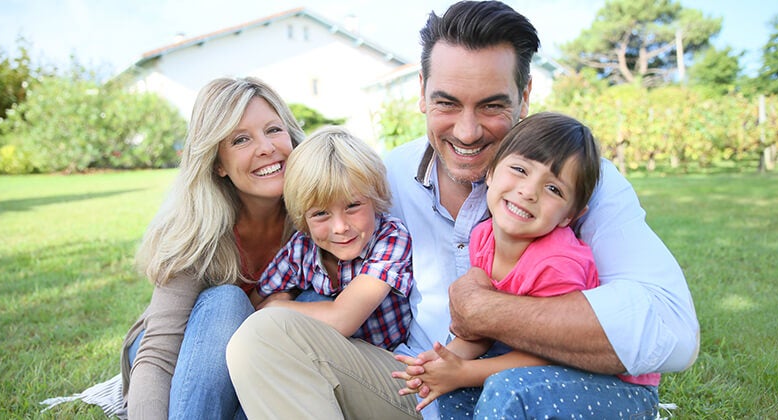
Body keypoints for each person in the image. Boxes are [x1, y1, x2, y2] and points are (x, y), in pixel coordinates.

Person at [225, 1, 699, 419]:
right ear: (422, 91)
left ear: (526, 95)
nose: (467, 132)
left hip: (524, 392)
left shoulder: (577, 186)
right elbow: (318, 215)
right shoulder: (387, 177)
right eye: (447, 103)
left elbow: (673, 333)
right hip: (420, 386)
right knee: (263, 338)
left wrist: (486, 311)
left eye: (492, 105)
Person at [396, 112, 659, 417]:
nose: (528, 191)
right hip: (538, 374)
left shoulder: (557, 263)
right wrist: (445, 362)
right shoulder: (483, 237)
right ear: (490, 174)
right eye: (520, 169)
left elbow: (555, 352)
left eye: (553, 189)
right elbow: (479, 329)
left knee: (508, 390)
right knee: (453, 392)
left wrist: (465, 372)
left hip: (613, 388)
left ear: (569, 216)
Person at [119, 76, 304, 419]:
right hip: (176, 354)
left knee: (303, 310)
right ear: (217, 163)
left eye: (274, 130)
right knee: (226, 300)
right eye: (241, 139)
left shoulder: (317, 216)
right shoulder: (195, 228)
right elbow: (158, 356)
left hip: (254, 358)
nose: (266, 147)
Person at [238, 125, 413, 351]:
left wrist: (276, 307)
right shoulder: (302, 247)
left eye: (352, 206)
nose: (340, 228)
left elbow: (343, 319)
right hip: (329, 361)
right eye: (321, 214)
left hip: (386, 366)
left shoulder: (390, 237)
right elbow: (256, 303)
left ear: (375, 198)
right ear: (303, 217)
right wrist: (278, 299)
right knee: (233, 300)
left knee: (301, 305)